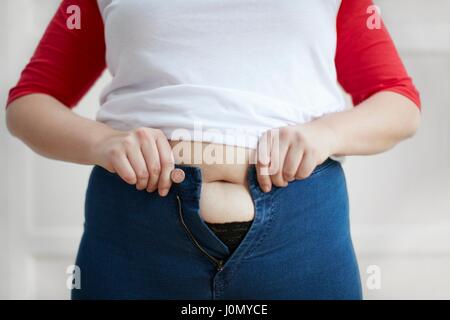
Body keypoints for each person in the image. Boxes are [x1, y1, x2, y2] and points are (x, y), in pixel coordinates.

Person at [5, 0, 421, 299]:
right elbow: (28, 103)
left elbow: (399, 104)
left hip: (301, 236)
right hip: (135, 233)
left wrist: (325, 134)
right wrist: (105, 143)